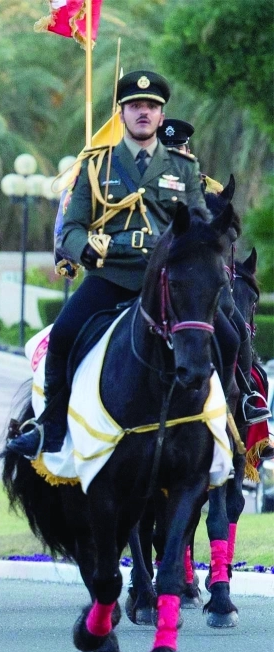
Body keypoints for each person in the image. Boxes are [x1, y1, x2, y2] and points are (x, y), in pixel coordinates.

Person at [9, 71, 210, 458]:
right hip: (113, 276)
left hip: (168, 283)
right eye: (135, 106)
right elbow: (70, 228)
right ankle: (50, 429)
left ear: (161, 116)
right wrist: (85, 250)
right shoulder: (97, 165)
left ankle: (238, 420)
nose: (143, 113)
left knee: (220, 332)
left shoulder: (183, 169)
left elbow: (199, 227)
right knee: (64, 335)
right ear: (122, 113)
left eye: (151, 107)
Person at [158, 119, 270, 425]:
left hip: (199, 276)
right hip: (155, 272)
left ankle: (246, 398)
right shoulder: (145, 184)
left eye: (179, 148)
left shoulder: (210, 188)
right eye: (167, 150)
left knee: (234, 331)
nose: (174, 155)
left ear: (188, 151)